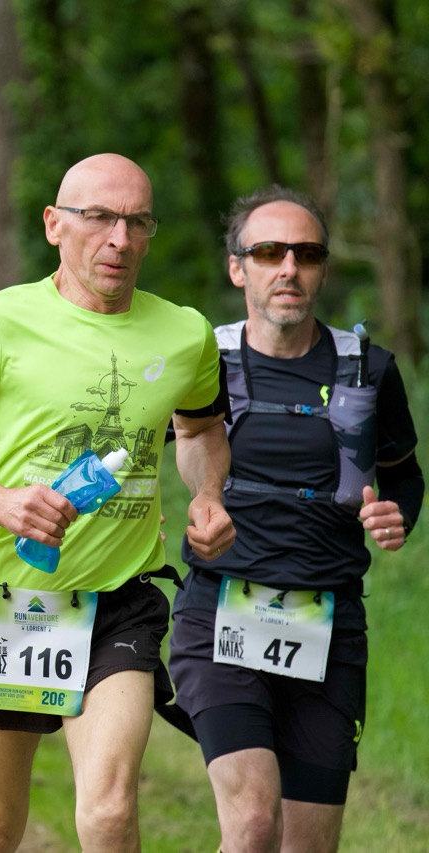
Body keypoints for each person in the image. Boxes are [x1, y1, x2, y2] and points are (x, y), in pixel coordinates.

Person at [0, 153, 236, 853]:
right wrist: (0, 503)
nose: (120, 239)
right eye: (98, 217)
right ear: (54, 225)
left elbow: (200, 429)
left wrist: (208, 493)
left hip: (121, 600)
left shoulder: (185, 333)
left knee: (111, 812)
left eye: (137, 222)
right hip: (11, 602)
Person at [166, 187, 422, 853]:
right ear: (237, 268)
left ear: (323, 270)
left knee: (307, 846)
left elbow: (404, 474)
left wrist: (397, 516)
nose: (289, 268)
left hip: (328, 622)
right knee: (253, 823)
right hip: (220, 612)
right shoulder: (202, 360)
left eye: (306, 254)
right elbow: (138, 451)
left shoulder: (368, 366)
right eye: (269, 252)